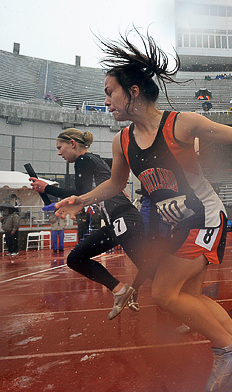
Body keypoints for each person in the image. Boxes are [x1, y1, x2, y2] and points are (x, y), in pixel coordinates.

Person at [52, 28, 232, 392]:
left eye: (110, 92)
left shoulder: (180, 124)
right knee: (189, 297)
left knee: (164, 293)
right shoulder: (122, 140)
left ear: (133, 92)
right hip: (178, 225)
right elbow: (116, 184)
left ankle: (227, 348)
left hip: (205, 216)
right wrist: (81, 200)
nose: (106, 101)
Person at [29, 127, 150, 321]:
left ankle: (187, 299)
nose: (59, 153)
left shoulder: (83, 160)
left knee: (151, 269)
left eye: (60, 147)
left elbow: (80, 193)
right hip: (117, 221)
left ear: (72, 144)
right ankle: (122, 291)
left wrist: (47, 188)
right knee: (76, 258)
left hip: (123, 219)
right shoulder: (96, 159)